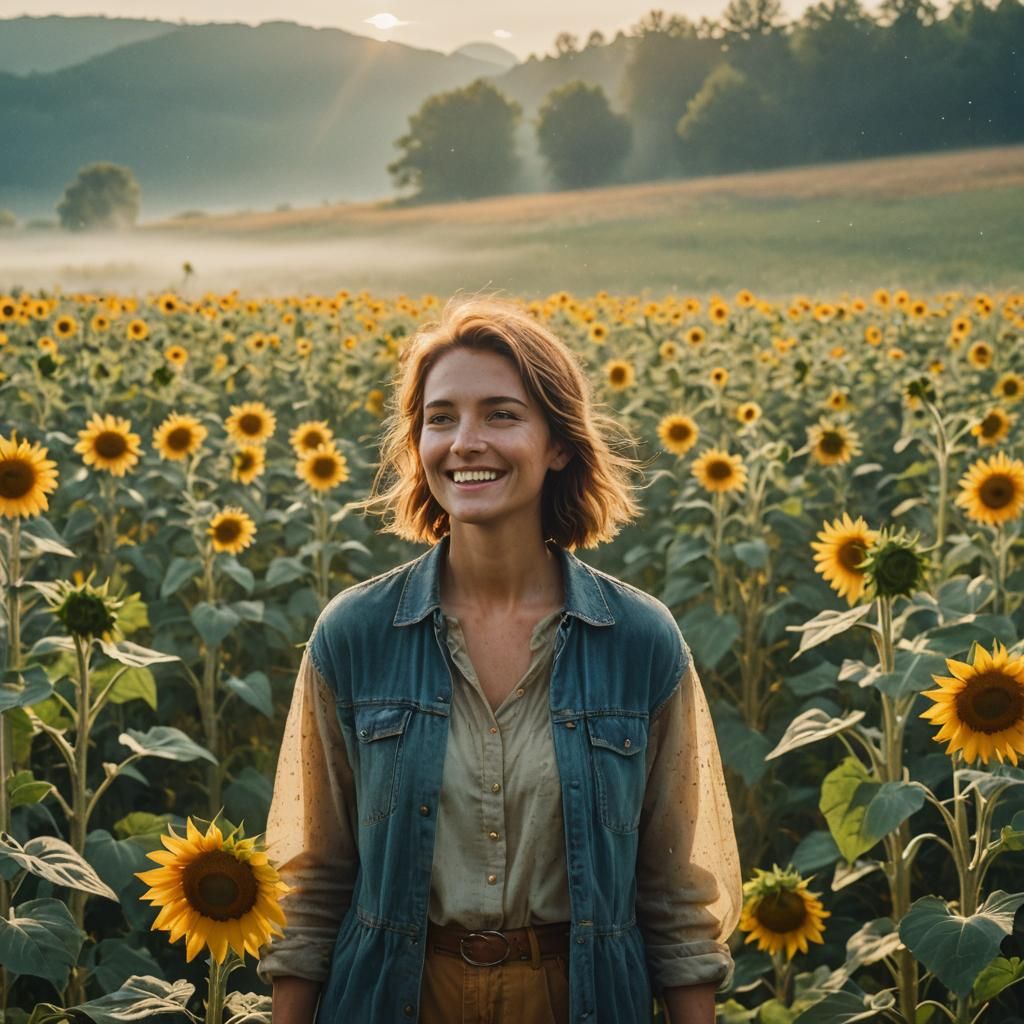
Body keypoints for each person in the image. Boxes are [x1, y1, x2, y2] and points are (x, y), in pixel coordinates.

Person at [257, 294, 742, 1023]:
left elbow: (678, 898)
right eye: (440, 417)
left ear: (559, 445)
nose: (465, 442)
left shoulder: (640, 641)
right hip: (396, 996)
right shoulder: (355, 634)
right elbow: (311, 883)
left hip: (576, 997)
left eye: (501, 414)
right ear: (417, 445)